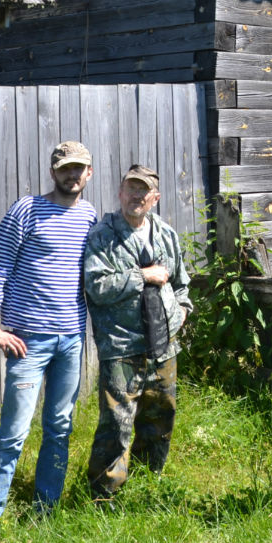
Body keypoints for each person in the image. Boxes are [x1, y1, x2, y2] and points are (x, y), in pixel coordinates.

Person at [0, 140, 98, 534]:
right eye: (65, 168)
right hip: (29, 341)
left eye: (79, 168)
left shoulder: (91, 217)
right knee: (13, 434)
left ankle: (46, 514)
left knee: (60, 428)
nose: (72, 175)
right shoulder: (27, 210)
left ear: (89, 174)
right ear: (52, 171)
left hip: (72, 339)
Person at [83, 164, 193, 501]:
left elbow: (181, 283)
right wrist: (142, 276)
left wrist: (182, 313)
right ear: (120, 192)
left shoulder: (165, 234)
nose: (136, 196)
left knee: (161, 415)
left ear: (155, 198)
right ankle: (104, 494)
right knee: (117, 424)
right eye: (131, 188)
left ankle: (149, 483)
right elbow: (96, 285)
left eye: (143, 191)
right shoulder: (103, 235)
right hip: (121, 346)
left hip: (163, 345)